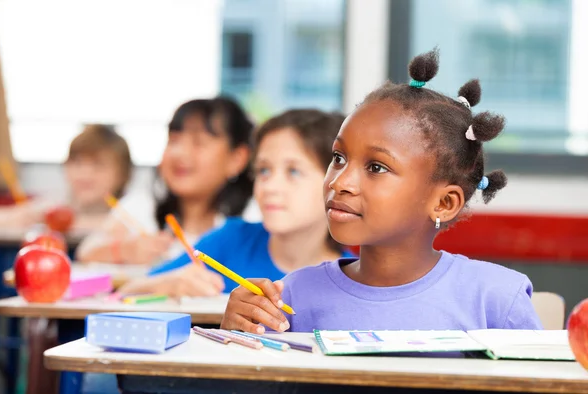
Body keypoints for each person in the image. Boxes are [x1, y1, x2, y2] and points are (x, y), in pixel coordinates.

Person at [221, 49, 543, 334]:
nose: (339, 181)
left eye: (376, 167)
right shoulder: (291, 297)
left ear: (444, 203)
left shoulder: (496, 301)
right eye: (338, 158)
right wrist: (235, 335)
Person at [118, 109, 354, 297]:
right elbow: (127, 292)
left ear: (336, 181)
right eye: (263, 170)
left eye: (293, 171)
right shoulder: (230, 239)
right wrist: (168, 284)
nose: (269, 186)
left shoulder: (353, 274)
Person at [76, 97, 257, 268]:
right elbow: (85, 253)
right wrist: (124, 251)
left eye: (198, 142)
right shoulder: (143, 206)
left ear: (237, 158)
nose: (179, 153)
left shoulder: (254, 218)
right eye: (174, 140)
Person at [0, 124, 132, 232]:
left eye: (98, 165)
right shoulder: (60, 204)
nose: (85, 173)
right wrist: (22, 217)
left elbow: (125, 225)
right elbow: (10, 216)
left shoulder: (132, 206)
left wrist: (68, 223)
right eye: (77, 163)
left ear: (122, 174)